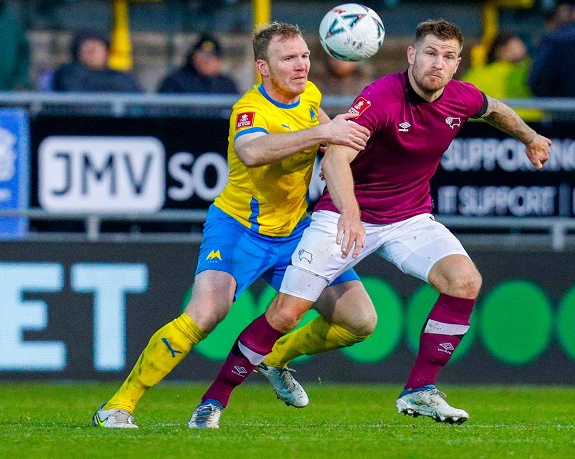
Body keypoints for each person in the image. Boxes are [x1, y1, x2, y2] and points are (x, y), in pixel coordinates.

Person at [189, 19, 552, 429]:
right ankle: (213, 400)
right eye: (430, 53)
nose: (438, 63)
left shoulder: (461, 97)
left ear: (457, 63)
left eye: (448, 56)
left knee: (465, 281)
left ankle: (420, 389)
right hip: (345, 215)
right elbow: (335, 157)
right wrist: (351, 213)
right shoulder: (380, 97)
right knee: (286, 313)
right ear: (412, 55)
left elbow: (495, 109)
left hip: (410, 217)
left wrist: (530, 138)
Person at [92, 22, 377, 428]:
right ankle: (118, 406)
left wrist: (338, 150)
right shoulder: (250, 109)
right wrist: (322, 132)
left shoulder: (310, 96)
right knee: (206, 314)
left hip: (294, 232)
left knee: (360, 320)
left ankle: (274, 359)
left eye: (304, 56)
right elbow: (252, 151)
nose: (301, 65)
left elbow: (331, 140)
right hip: (239, 229)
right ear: (263, 67)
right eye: (288, 58)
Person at [460, 31, 540, 121]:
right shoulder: (527, 71)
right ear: (499, 50)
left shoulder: (528, 70)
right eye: (511, 47)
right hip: (524, 120)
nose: (520, 50)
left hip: (519, 120)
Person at [51, 29, 143, 92]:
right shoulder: (69, 73)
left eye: (97, 48)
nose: (93, 53)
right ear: (77, 52)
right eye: (87, 48)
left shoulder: (120, 77)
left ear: (106, 51)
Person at [157, 34, 239, 94]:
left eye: (212, 57)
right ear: (193, 57)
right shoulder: (175, 81)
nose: (207, 61)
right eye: (202, 55)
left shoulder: (226, 84)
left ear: (219, 61)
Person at [308, 54, 373, 96]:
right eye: (335, 56)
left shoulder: (368, 86)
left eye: (345, 56)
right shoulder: (317, 84)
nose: (339, 61)